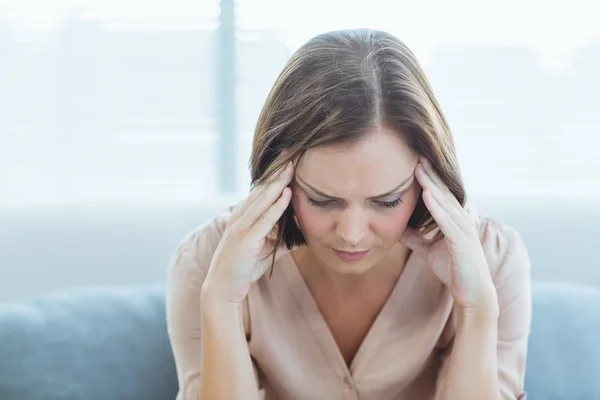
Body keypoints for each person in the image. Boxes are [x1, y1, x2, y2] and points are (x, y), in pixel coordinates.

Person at [166, 28, 532, 400]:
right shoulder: (207, 262)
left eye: (387, 201)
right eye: (322, 200)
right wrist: (222, 304)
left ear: (429, 182)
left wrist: (477, 309)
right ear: (277, 179)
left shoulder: (494, 260)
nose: (352, 234)